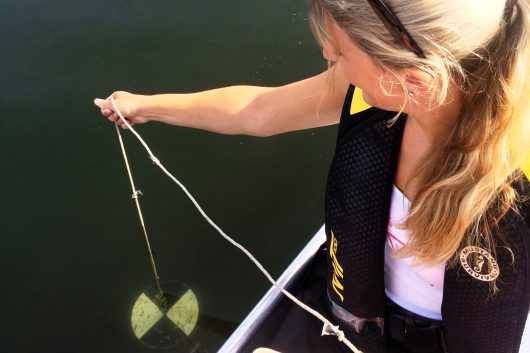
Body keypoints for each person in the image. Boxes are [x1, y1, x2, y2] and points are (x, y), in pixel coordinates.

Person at [94, 0, 530, 352]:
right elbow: (259, 111)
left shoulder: (518, 177)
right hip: (352, 308)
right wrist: (144, 106)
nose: (327, 56)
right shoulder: (381, 86)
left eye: (340, 52)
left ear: (409, 73)